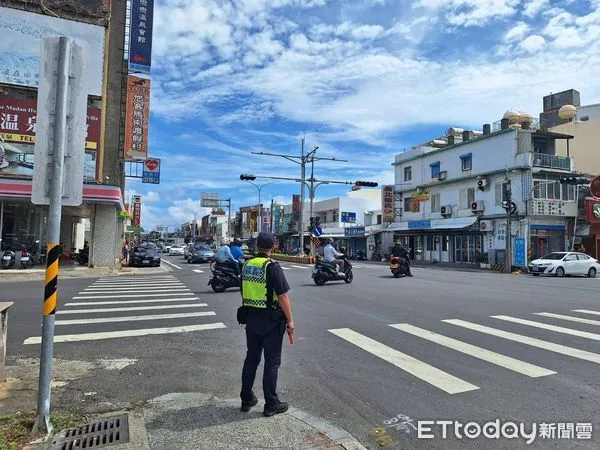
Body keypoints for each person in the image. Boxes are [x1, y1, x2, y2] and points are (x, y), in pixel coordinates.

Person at [240, 232, 294, 417]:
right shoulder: (272, 267)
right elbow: (283, 296)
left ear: (256, 246)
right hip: (271, 321)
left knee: (251, 359)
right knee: (272, 362)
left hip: (252, 319)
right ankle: (271, 403)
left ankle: (246, 398)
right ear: (273, 246)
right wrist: (290, 320)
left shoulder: (246, 265)